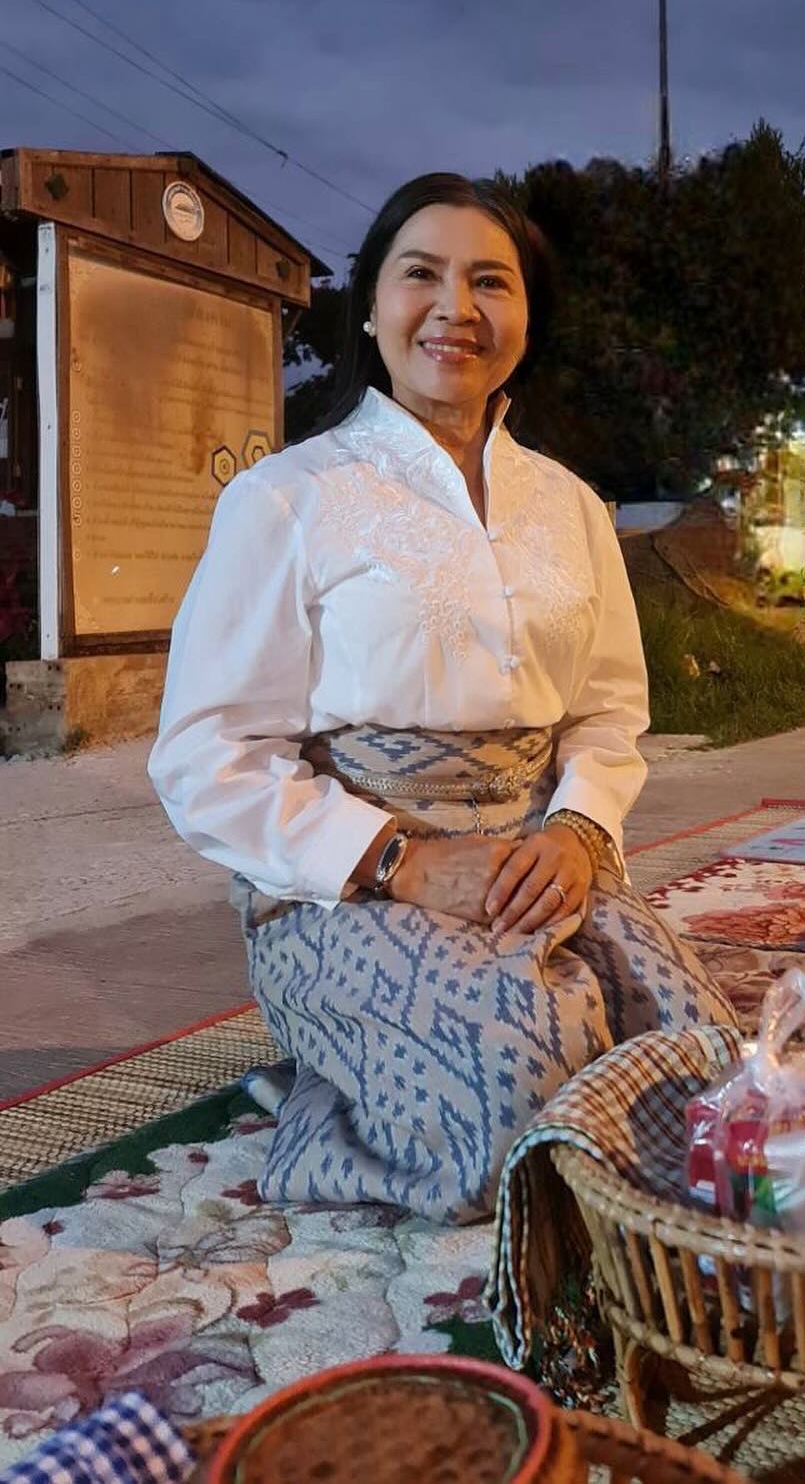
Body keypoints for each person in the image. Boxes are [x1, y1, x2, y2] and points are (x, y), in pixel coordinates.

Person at [149, 172, 734, 1224]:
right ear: (370, 308)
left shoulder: (571, 506)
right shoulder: (288, 498)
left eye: (490, 283)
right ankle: (320, 1113)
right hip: (346, 885)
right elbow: (205, 757)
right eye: (421, 275)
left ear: (524, 319)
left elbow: (605, 714)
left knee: (702, 1054)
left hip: (535, 861)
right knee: (527, 1068)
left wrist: (573, 838)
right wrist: (405, 861)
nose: (456, 308)